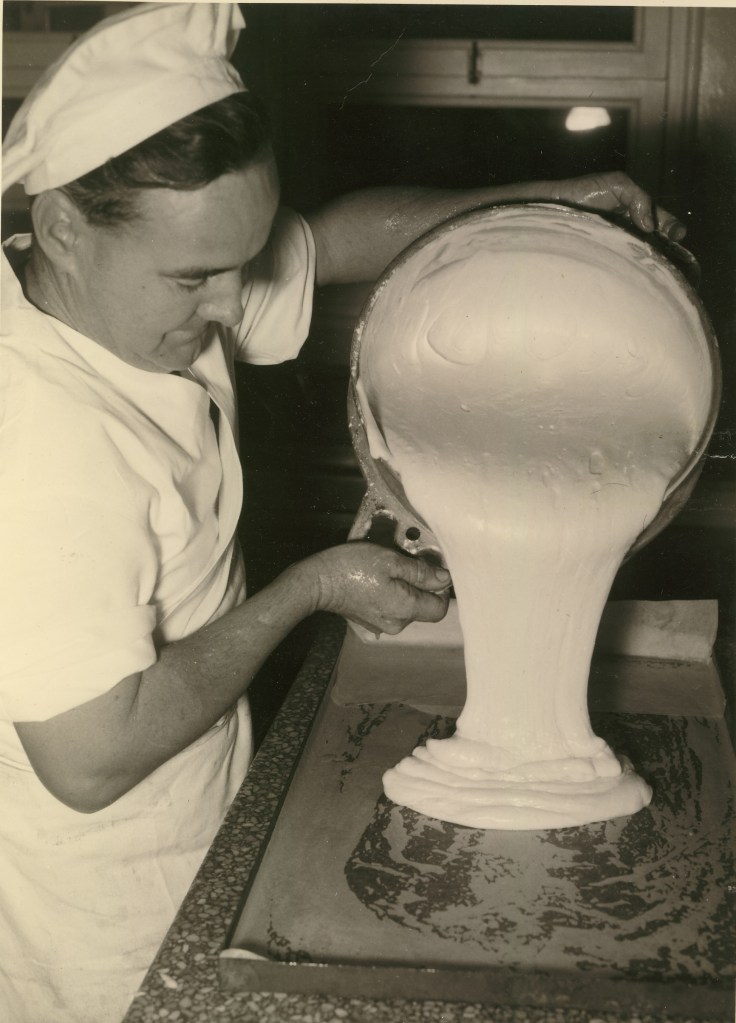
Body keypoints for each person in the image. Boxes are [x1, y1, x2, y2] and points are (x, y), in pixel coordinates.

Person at [0, 5, 686, 1022]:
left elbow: (327, 243)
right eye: (195, 278)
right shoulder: (37, 440)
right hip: (102, 917)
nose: (230, 307)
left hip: (202, 813)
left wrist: (539, 199)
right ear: (62, 226)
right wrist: (311, 587)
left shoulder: (121, 290)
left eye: (240, 261)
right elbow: (90, 759)